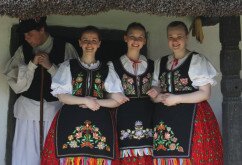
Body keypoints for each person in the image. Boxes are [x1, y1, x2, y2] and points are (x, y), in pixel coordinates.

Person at [41, 25, 129, 165]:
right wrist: (84, 100)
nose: (89, 44)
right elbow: (62, 96)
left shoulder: (106, 69)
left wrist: (94, 102)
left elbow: (116, 100)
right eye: (86, 40)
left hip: (100, 122)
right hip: (70, 121)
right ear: (80, 42)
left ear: (99, 44)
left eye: (94, 40)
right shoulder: (68, 66)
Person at [3, 16, 78, 165]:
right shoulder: (23, 50)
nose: (27, 38)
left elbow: (74, 83)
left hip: (54, 112)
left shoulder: (65, 47)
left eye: (29, 34)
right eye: (24, 36)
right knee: (26, 154)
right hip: (27, 113)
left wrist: (50, 66)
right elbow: (17, 85)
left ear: (42, 29)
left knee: (53, 154)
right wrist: (31, 65)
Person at [147, 21, 223, 164]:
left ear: (186, 37)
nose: (175, 41)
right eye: (171, 37)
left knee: (194, 155)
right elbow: (158, 85)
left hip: (193, 116)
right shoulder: (161, 62)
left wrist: (176, 99)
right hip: (166, 118)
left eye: (179, 36)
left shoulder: (196, 60)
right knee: (168, 155)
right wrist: (156, 92)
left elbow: (205, 93)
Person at [110, 22, 154, 165]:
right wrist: (112, 96)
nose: (136, 41)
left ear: (145, 41)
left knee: (149, 151)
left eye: (140, 37)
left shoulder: (153, 65)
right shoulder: (114, 65)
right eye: (132, 36)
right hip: (124, 114)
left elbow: (159, 87)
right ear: (125, 38)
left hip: (149, 114)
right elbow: (107, 91)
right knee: (125, 152)